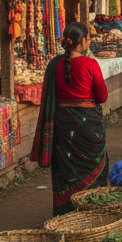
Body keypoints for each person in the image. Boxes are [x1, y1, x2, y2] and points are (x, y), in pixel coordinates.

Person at [32, 21, 108, 217]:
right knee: (96, 166)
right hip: (88, 128)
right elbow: (102, 98)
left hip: (63, 128)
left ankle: (66, 215)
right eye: (88, 38)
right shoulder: (90, 64)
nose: (89, 41)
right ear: (82, 42)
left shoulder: (54, 64)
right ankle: (93, 211)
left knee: (64, 170)